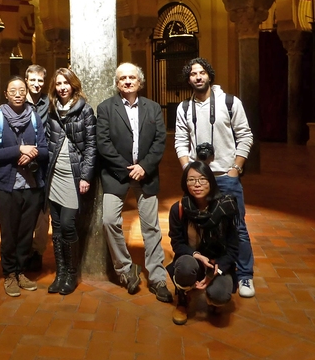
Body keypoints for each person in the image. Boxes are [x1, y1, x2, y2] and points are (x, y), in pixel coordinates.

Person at [174, 57, 256, 298]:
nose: (197, 77)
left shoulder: (230, 102)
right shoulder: (184, 108)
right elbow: (179, 141)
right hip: (198, 179)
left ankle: (245, 276)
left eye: (201, 73)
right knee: (199, 225)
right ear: (188, 79)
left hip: (225, 175)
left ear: (209, 75)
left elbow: (245, 135)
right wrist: (188, 169)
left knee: (237, 227)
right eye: (192, 74)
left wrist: (235, 169)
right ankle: (204, 267)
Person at [97, 63, 172, 303]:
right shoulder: (106, 108)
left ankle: (158, 277)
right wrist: (127, 169)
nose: (127, 81)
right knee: (109, 220)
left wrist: (144, 167)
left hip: (146, 173)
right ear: (117, 83)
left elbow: (160, 141)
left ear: (140, 81)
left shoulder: (152, 108)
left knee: (151, 227)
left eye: (132, 77)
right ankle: (126, 270)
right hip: (116, 173)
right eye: (122, 78)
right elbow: (103, 143)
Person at [0, 76, 49, 297]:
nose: (17, 94)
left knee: (26, 233)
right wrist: (20, 150)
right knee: (9, 233)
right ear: (5, 94)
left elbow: (43, 150)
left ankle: (21, 271)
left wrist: (32, 152)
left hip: (32, 186)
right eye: (12, 90)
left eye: (21, 90)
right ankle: (9, 274)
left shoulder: (34, 117)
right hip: (7, 186)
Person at [45, 67, 97, 295]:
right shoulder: (52, 110)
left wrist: (86, 175)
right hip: (54, 174)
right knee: (55, 227)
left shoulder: (85, 110)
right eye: (58, 84)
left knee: (67, 224)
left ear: (73, 85)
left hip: (73, 176)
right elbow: (48, 141)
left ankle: (72, 274)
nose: (62, 87)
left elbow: (92, 147)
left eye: (65, 83)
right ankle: (60, 273)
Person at [167, 161, 239, 325]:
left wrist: (216, 269)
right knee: (184, 266)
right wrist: (197, 256)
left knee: (220, 295)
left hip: (216, 262)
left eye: (202, 179)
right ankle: (183, 300)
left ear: (211, 182)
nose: (197, 184)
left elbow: (234, 248)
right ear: (185, 183)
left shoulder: (226, 207)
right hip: (193, 259)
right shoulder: (179, 209)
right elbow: (177, 244)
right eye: (191, 180)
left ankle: (213, 300)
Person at [25, 64, 49, 272]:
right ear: (26, 81)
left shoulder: (48, 103)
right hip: (22, 163)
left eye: (40, 80)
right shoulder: (17, 101)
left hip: (43, 164)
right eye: (33, 80)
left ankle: (37, 253)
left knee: (43, 213)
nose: (36, 84)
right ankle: (22, 251)